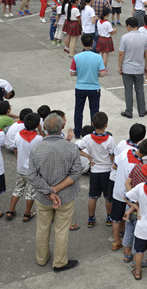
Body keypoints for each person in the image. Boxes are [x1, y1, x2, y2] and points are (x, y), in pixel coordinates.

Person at [28, 113, 82, 273]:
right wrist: (56, 189)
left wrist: (49, 191)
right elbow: (76, 172)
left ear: (44, 128)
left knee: (42, 227)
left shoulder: (36, 148)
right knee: (62, 229)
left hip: (43, 198)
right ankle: (59, 262)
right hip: (66, 197)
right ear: (62, 127)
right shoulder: (71, 147)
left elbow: (32, 176)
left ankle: (41, 258)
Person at [70, 34, 107, 138]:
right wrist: (95, 74)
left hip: (80, 87)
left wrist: (80, 73)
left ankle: (77, 132)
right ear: (93, 43)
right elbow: (103, 73)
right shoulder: (98, 57)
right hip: (94, 88)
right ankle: (94, 132)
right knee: (94, 111)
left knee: (78, 110)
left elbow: (72, 73)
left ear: (82, 43)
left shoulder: (76, 57)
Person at [118, 17, 147, 119]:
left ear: (129, 26)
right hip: (139, 68)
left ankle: (129, 111)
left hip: (127, 68)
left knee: (128, 90)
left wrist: (119, 66)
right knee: (140, 90)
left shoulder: (125, 37)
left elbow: (121, 53)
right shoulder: (145, 37)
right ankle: (142, 110)